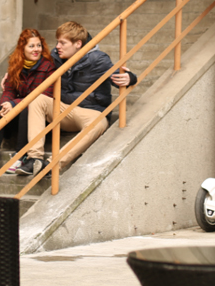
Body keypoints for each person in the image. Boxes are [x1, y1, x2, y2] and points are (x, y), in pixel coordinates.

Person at [18, 21, 137, 175]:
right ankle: (34, 159)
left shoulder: (97, 59)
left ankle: (52, 165)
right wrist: (12, 74)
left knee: (98, 123)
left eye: (62, 43)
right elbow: (34, 64)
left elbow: (117, 75)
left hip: (90, 112)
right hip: (64, 110)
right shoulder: (56, 56)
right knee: (38, 99)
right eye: (57, 42)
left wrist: (130, 77)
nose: (57, 46)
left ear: (78, 44)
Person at [0, 29, 56, 173]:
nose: (36, 49)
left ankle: (20, 156)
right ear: (22, 48)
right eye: (31, 46)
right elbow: (9, 90)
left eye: (39, 45)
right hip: (20, 113)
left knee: (27, 109)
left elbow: (43, 94)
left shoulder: (48, 67)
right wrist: (6, 104)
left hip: (40, 117)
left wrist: (14, 104)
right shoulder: (16, 66)